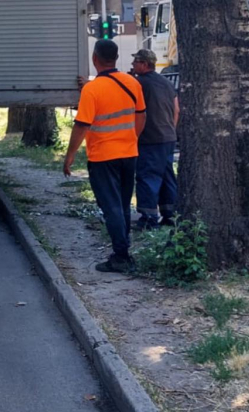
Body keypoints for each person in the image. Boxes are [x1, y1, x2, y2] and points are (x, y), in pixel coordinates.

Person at [62, 39, 146, 274]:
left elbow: (81, 126)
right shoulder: (132, 83)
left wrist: (69, 157)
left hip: (103, 157)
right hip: (129, 153)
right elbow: (141, 116)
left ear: (94, 59)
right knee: (122, 203)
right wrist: (132, 138)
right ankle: (123, 249)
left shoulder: (92, 90)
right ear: (116, 58)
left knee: (111, 207)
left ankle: (121, 256)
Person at [130, 48, 180, 229]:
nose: (133, 65)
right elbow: (176, 110)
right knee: (167, 176)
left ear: (144, 64)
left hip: (150, 138)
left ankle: (149, 218)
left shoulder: (139, 83)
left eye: (135, 62)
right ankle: (170, 214)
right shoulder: (166, 83)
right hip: (168, 137)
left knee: (147, 176)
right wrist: (170, 129)